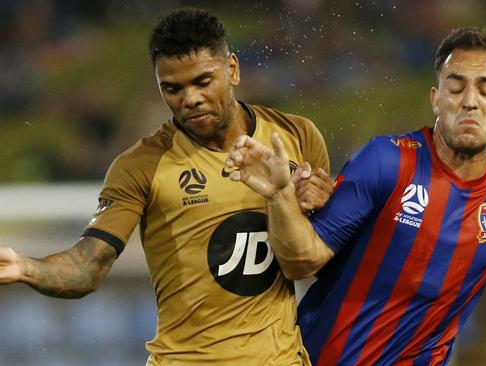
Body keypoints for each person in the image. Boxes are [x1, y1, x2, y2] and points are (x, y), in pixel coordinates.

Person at [226, 27, 486, 365]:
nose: (470, 101)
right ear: (436, 98)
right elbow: (302, 261)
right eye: (456, 86)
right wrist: (282, 195)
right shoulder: (387, 162)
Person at [0, 7, 332, 365]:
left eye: (203, 82)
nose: (189, 99)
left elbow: (310, 263)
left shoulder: (297, 137)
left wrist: (319, 202)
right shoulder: (140, 165)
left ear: (232, 70)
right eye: (172, 88)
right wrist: (25, 267)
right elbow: (88, 265)